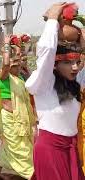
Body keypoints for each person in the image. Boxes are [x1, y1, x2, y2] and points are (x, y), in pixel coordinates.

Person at [25, 3, 85, 180]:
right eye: (67, 63)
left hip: (72, 148)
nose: (75, 67)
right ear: (55, 64)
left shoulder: (75, 82)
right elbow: (47, 51)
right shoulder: (44, 82)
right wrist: (52, 20)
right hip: (50, 150)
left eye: (76, 62)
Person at [0, 35, 35, 179]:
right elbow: (5, 64)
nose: (15, 68)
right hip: (10, 119)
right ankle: (31, 173)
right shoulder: (4, 77)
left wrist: (17, 47)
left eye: (17, 65)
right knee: (21, 149)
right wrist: (5, 45)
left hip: (21, 118)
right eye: (12, 66)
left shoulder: (20, 78)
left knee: (12, 146)